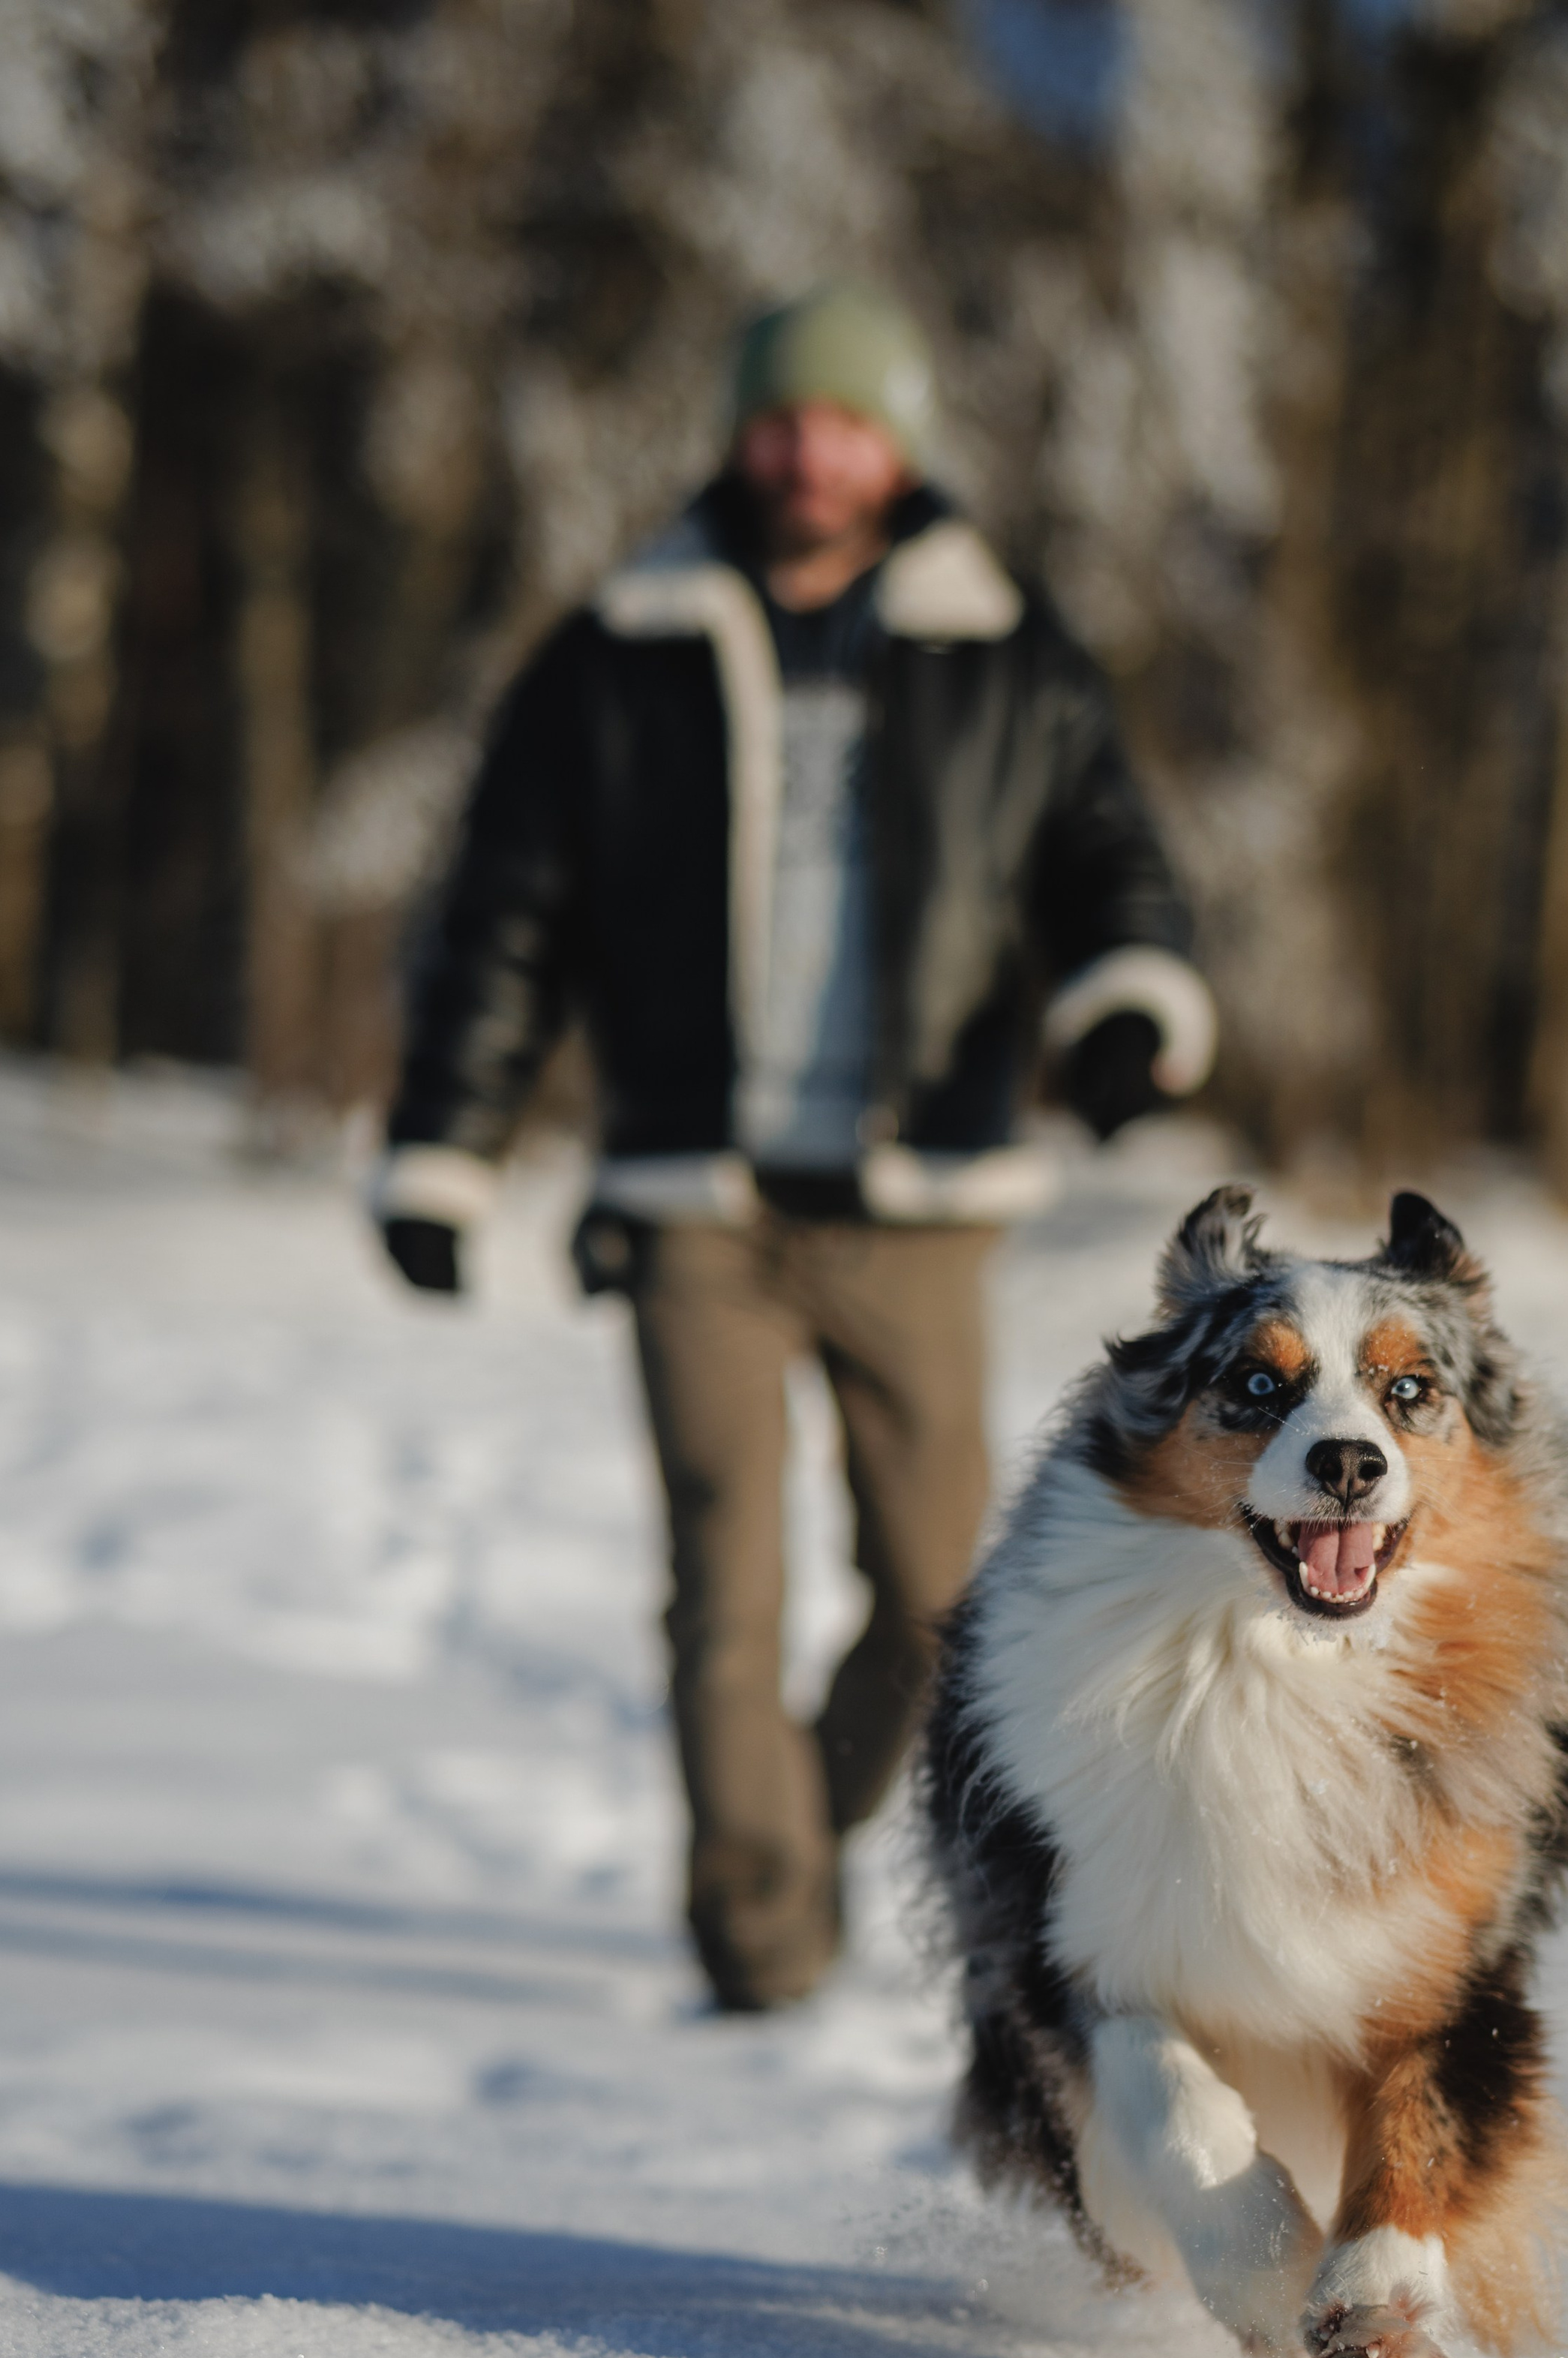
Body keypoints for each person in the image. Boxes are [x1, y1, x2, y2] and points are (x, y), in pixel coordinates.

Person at [377, 282, 1211, 2014]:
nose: (806, 450)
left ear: (894, 441)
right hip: (695, 1196)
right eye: (779, 418)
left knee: (938, 1596)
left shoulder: (1002, 647)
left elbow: (1106, 860)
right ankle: (755, 1944)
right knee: (719, 1581)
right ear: (740, 433)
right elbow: (502, 919)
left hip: (919, 1200)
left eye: (842, 420)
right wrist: (442, 1149)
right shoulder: (620, 649)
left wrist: (1126, 999)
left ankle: (803, 1815)